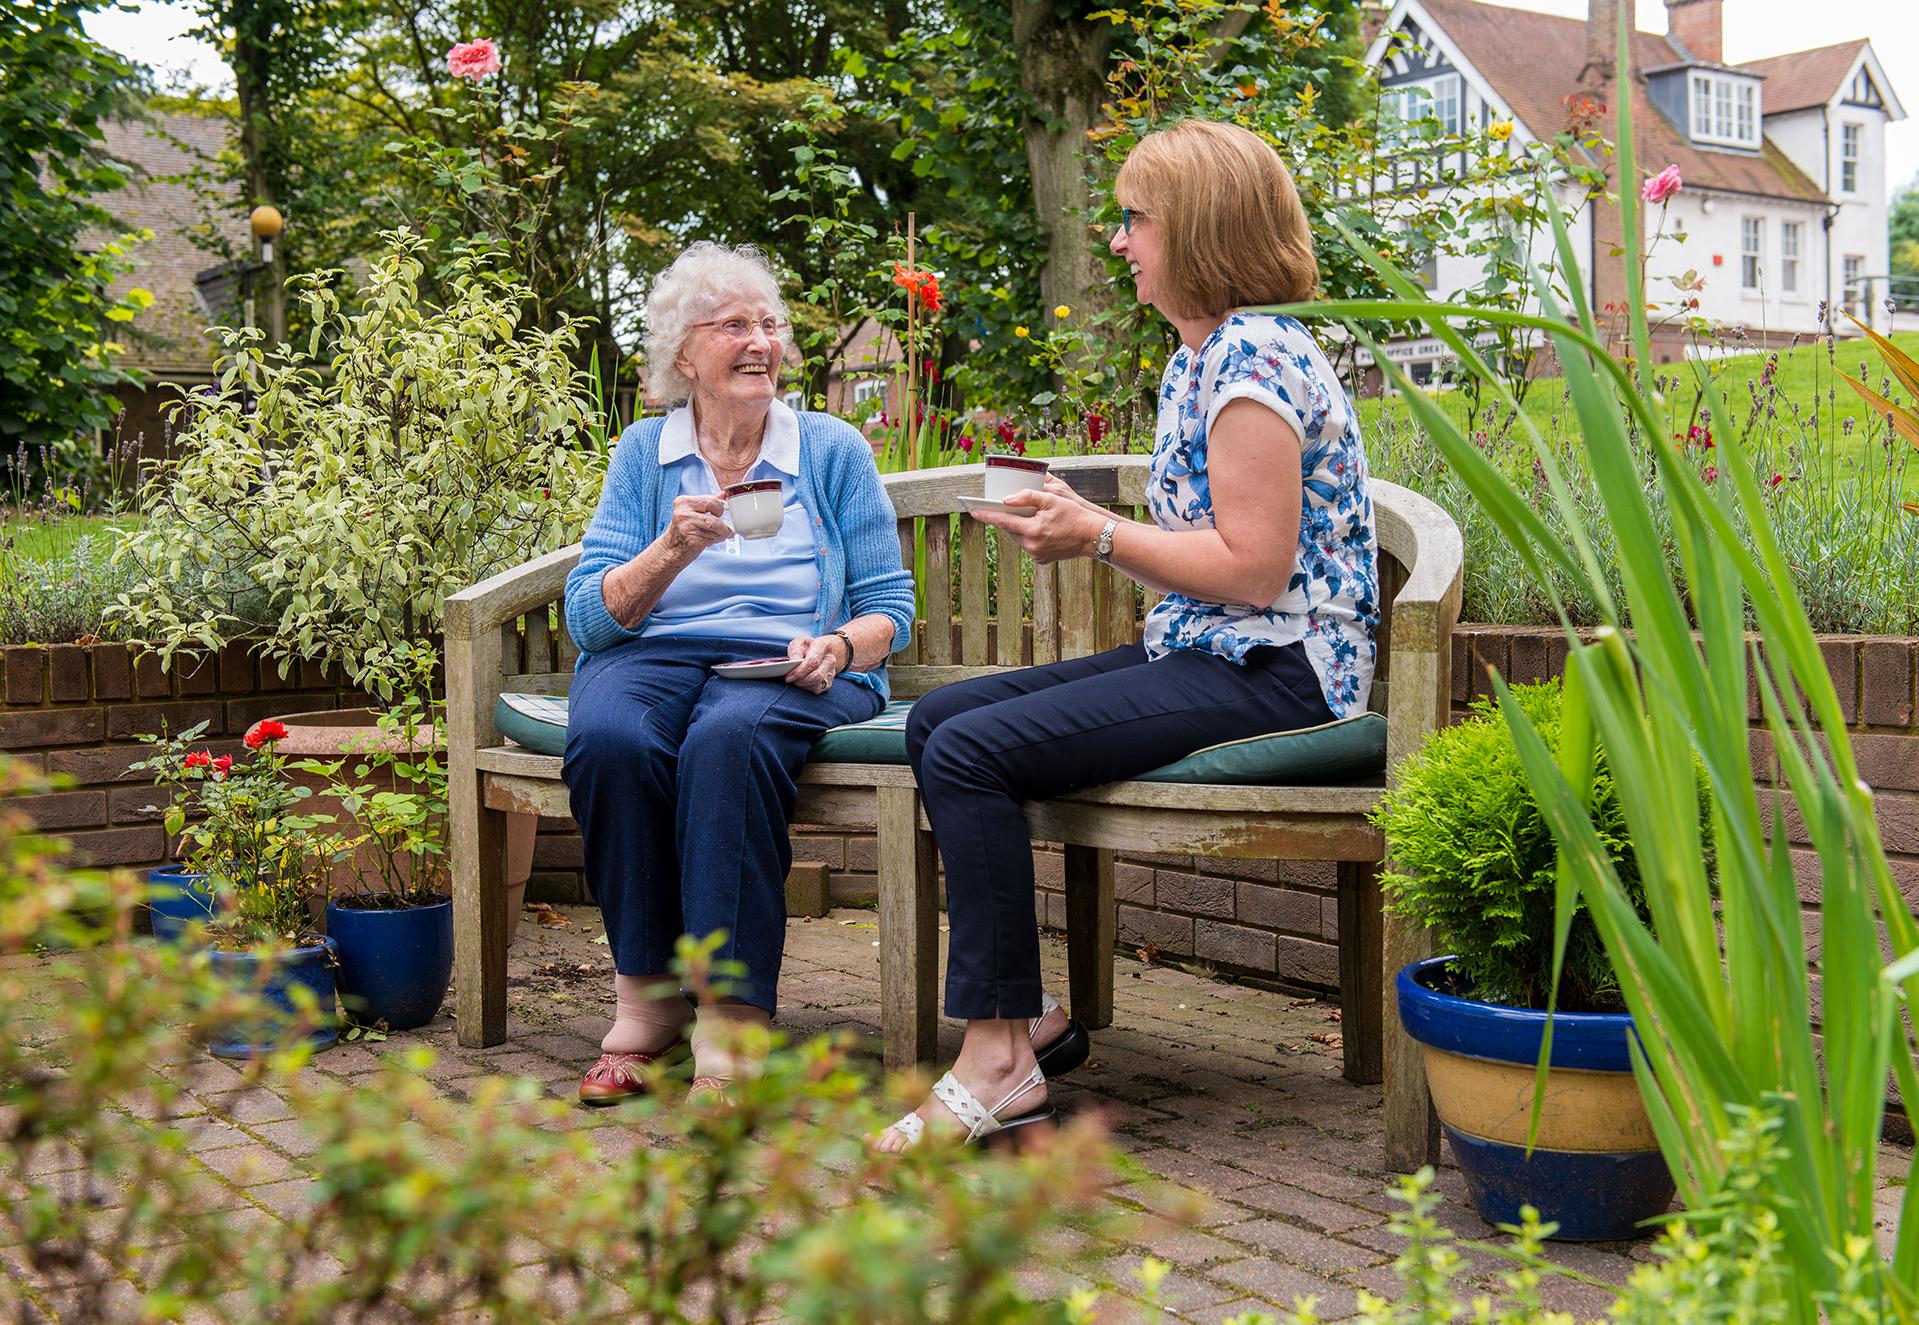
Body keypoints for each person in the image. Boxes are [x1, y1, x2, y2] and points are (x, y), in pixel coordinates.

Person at [875, 120, 1380, 1149]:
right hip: (1210, 647)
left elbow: (1254, 564)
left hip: (1281, 668)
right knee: (940, 718)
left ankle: (995, 1058)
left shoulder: (1255, 354)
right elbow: (1210, 542)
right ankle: (1015, 1025)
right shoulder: (1198, 357)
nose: (1118, 241)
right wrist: (1076, 515)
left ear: (1195, 229)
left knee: (970, 748)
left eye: (1134, 217)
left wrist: (1097, 533)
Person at [562, 242, 915, 1106]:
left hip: (795, 660)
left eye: (769, 324)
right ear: (686, 355)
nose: (758, 341)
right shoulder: (645, 453)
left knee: (728, 736)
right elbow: (591, 615)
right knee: (609, 736)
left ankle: (729, 1011)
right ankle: (645, 1001)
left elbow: (888, 608)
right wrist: (672, 546)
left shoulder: (829, 449)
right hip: (656, 652)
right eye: (733, 326)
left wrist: (839, 643)